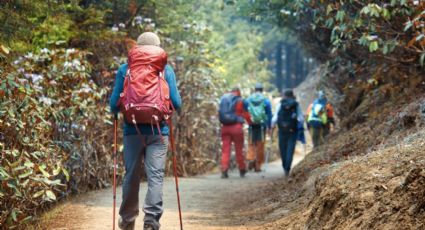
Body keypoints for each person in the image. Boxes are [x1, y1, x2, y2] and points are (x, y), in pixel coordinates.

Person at [109, 32, 182, 230]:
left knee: (131, 174)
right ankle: (151, 222)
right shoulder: (165, 70)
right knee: (155, 176)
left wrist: (118, 111)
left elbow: (114, 103)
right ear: (158, 49)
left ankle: (127, 220)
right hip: (159, 131)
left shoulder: (125, 69)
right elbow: (176, 102)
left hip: (132, 131)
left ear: (138, 48)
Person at [272, 89, 304, 176]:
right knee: (290, 149)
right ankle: (287, 168)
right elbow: (300, 118)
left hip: (282, 130)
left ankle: (284, 165)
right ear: (292, 95)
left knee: (283, 149)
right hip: (292, 130)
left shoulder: (280, 103)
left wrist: (272, 125)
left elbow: (275, 117)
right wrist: (300, 126)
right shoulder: (296, 104)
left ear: (284, 95)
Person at [218, 87, 249, 178]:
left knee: (225, 150)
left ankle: (224, 170)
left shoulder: (224, 99)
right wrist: (250, 122)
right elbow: (246, 114)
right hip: (237, 127)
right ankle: (242, 169)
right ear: (239, 92)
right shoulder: (240, 101)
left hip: (225, 127)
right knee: (239, 149)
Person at [245, 83, 272, 172]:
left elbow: (245, 111)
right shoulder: (265, 100)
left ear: (255, 89)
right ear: (262, 90)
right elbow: (269, 114)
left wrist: (248, 121)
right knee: (260, 145)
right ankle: (258, 166)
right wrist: (269, 126)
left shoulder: (248, 99)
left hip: (251, 125)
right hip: (262, 126)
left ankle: (251, 157)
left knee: (251, 143)